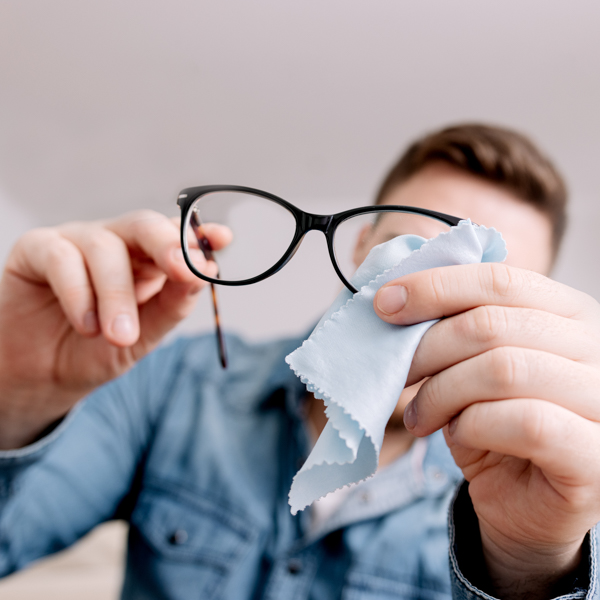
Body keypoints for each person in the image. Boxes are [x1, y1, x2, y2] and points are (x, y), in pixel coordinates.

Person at [0, 123, 599, 600]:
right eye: (411, 256)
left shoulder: (544, 490)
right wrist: (17, 397)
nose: (433, 303)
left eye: (481, 288)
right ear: (361, 244)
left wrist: (529, 565)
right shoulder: (178, 383)